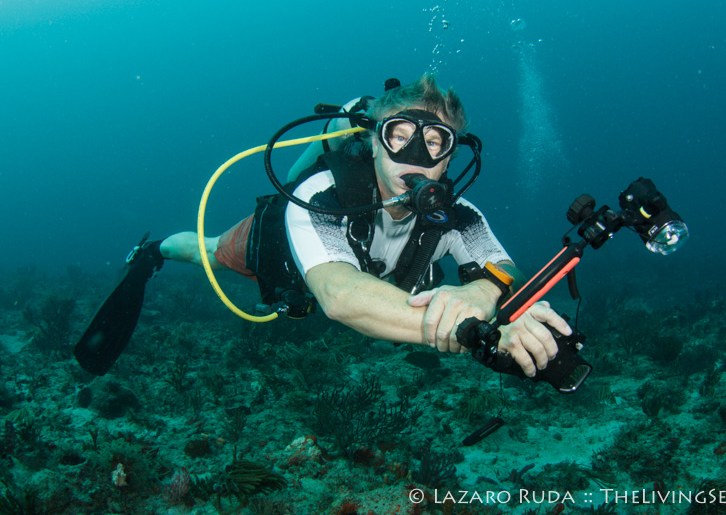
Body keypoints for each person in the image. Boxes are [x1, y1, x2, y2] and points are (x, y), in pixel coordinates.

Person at [75, 74, 571, 377]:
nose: (417, 155)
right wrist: (472, 331)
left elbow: (500, 265)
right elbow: (340, 296)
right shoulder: (321, 195)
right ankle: (154, 251)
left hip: (375, 279)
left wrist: (482, 294)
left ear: (450, 156)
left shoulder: (459, 215)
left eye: (436, 141)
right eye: (399, 135)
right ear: (373, 142)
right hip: (278, 250)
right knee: (206, 249)